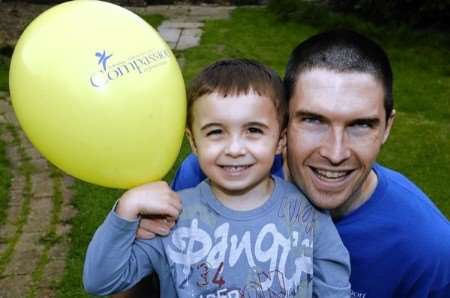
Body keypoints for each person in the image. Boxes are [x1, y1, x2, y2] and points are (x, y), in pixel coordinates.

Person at [137, 29, 450, 297]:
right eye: (313, 120)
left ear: (387, 128)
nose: (335, 152)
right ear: (282, 125)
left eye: (361, 124)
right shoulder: (210, 176)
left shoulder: (426, 246)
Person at [83, 59, 351, 297]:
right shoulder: (171, 218)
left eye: (253, 130)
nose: (234, 149)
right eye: (215, 132)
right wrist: (126, 209)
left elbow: (334, 288)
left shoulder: (308, 214)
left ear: (280, 140)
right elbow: (101, 281)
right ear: (194, 141)